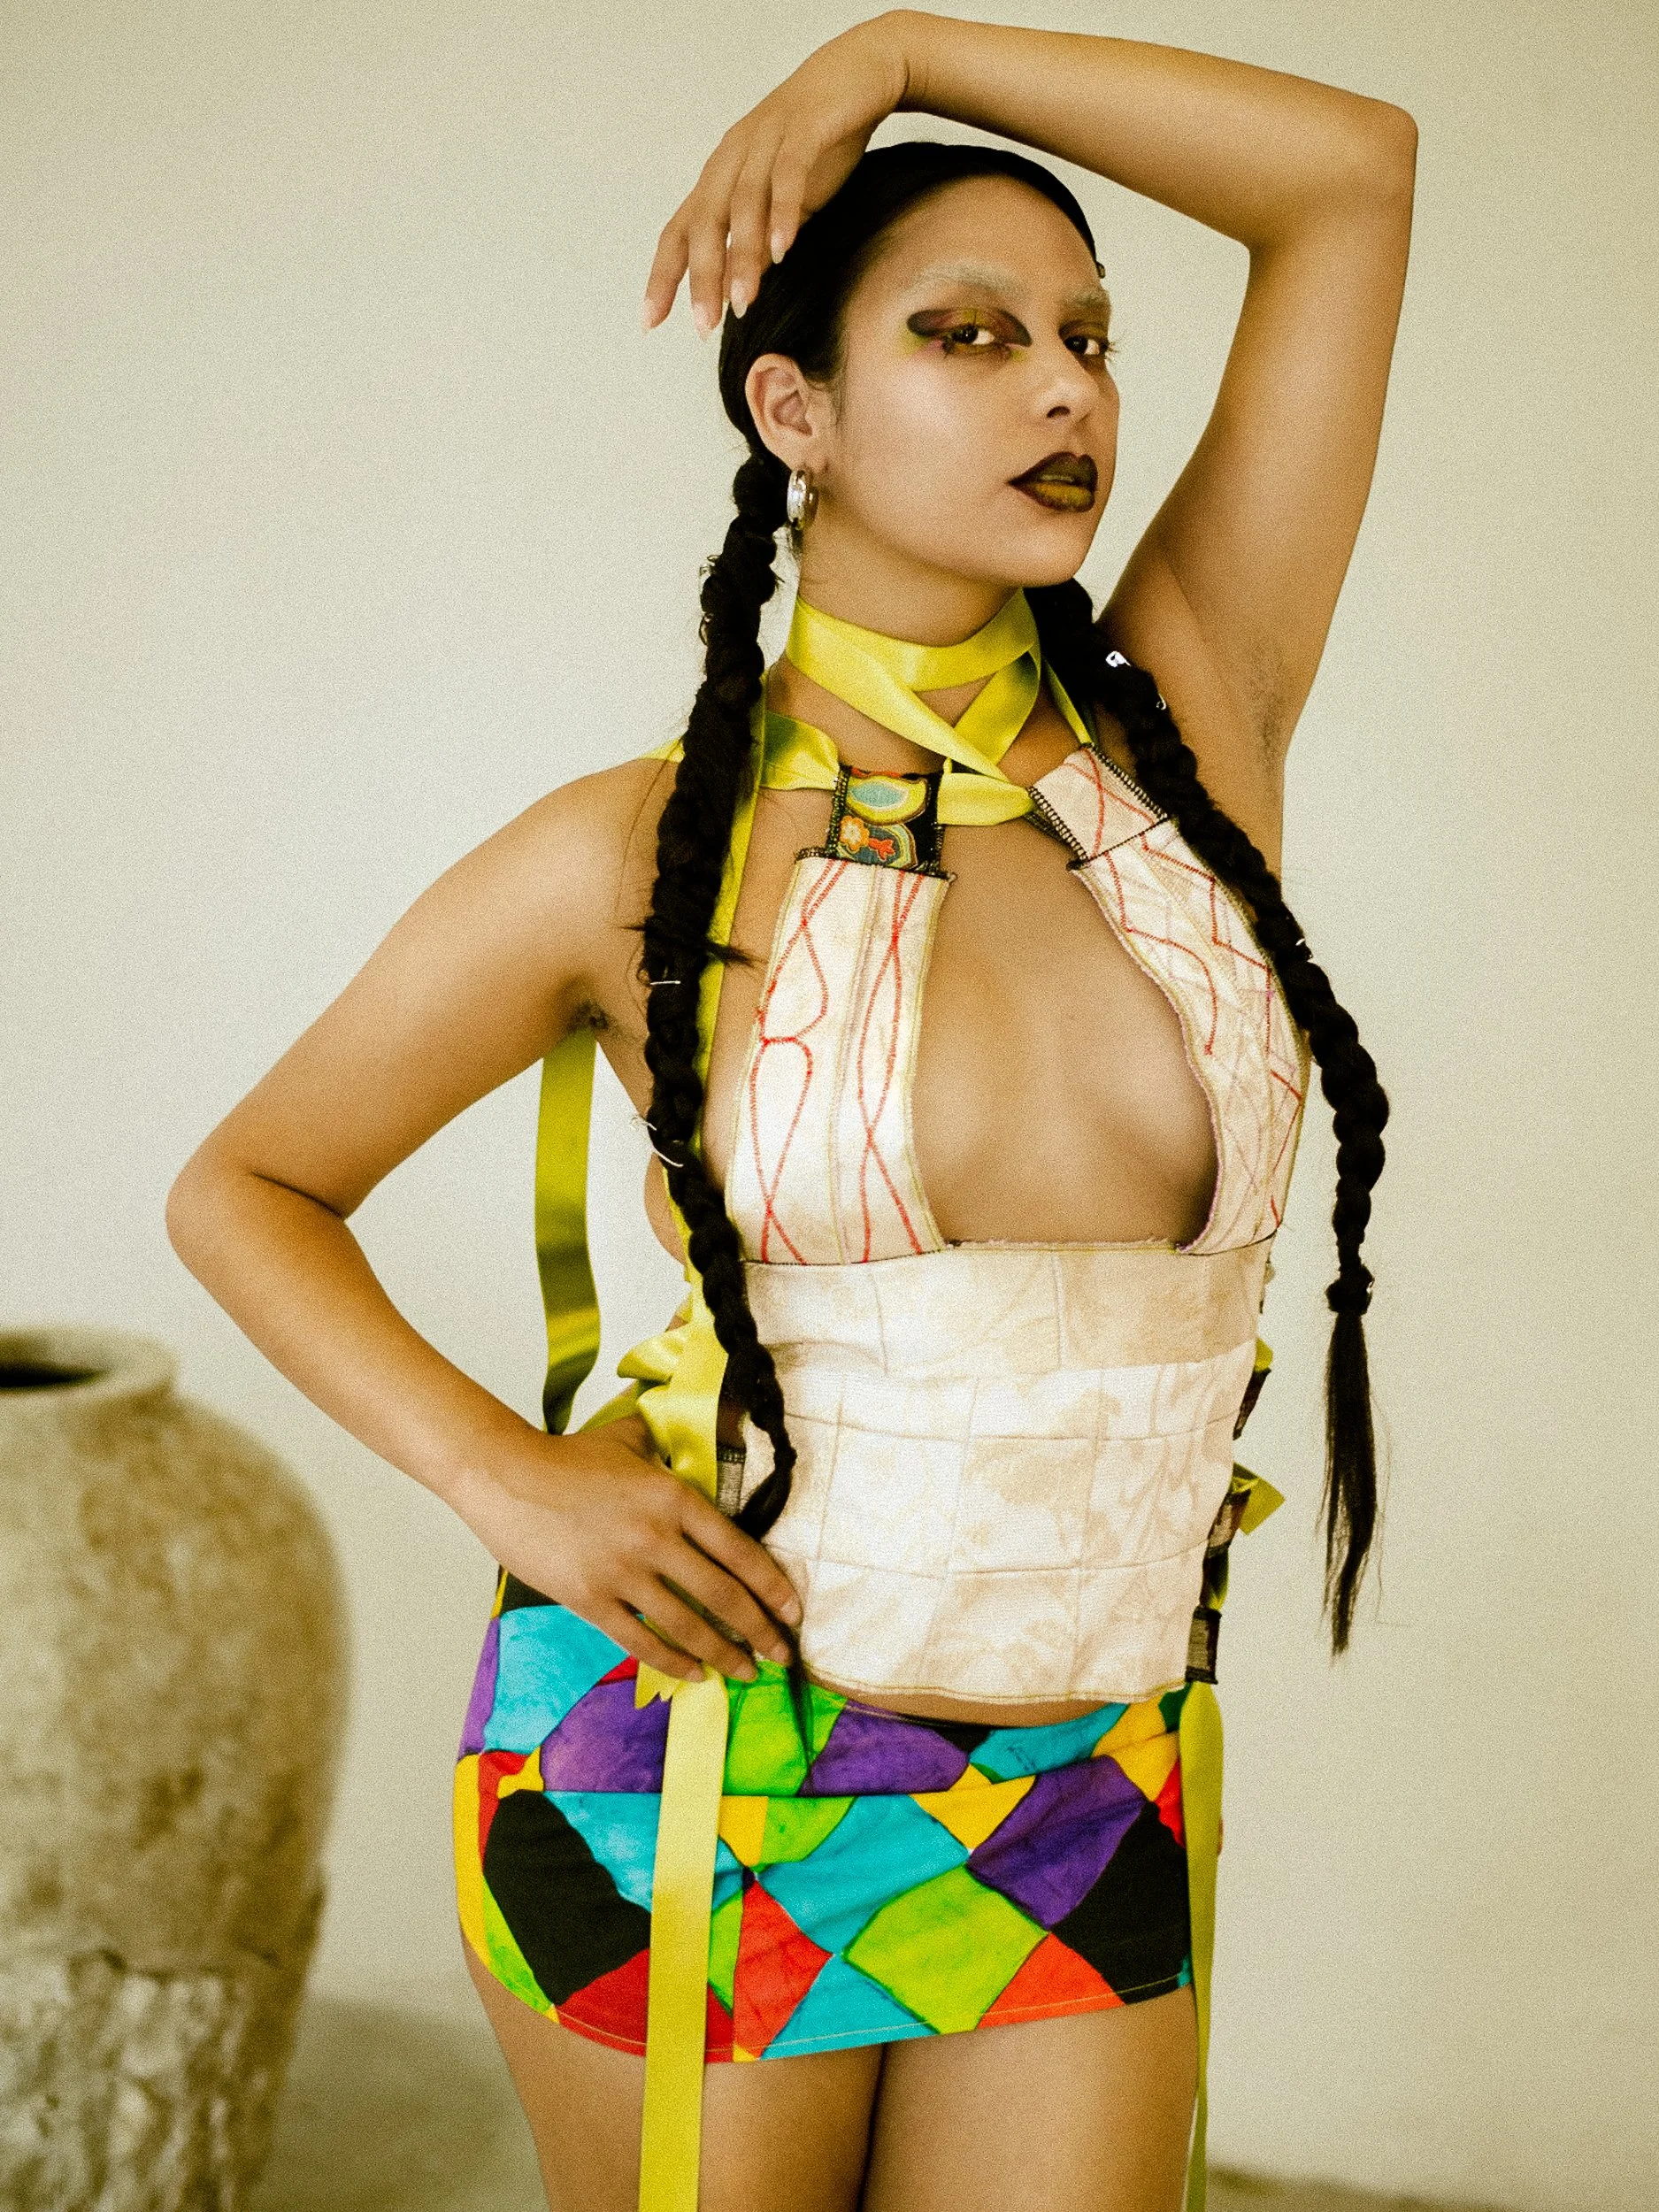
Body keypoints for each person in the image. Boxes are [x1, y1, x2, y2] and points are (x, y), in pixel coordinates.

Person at [166, 13, 1413, 2211]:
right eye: (969, 334)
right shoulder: (632, 848)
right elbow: (247, 1184)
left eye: (1087, 340)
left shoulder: (1185, 740)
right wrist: (511, 1478)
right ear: (792, 412)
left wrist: (903, 51)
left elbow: (1350, 176)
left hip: (1087, 1774)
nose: (1066, 392)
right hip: (687, 1762)